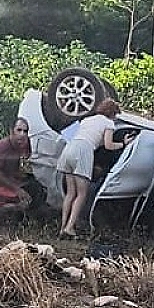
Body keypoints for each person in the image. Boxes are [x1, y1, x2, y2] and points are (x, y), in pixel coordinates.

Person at [56, 98, 129, 238]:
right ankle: (70, 228)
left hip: (69, 148)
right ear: (112, 113)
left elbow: (72, 136)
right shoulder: (109, 123)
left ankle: (62, 227)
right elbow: (109, 145)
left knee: (70, 193)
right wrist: (123, 144)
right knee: (82, 193)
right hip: (84, 150)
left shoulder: (87, 120)